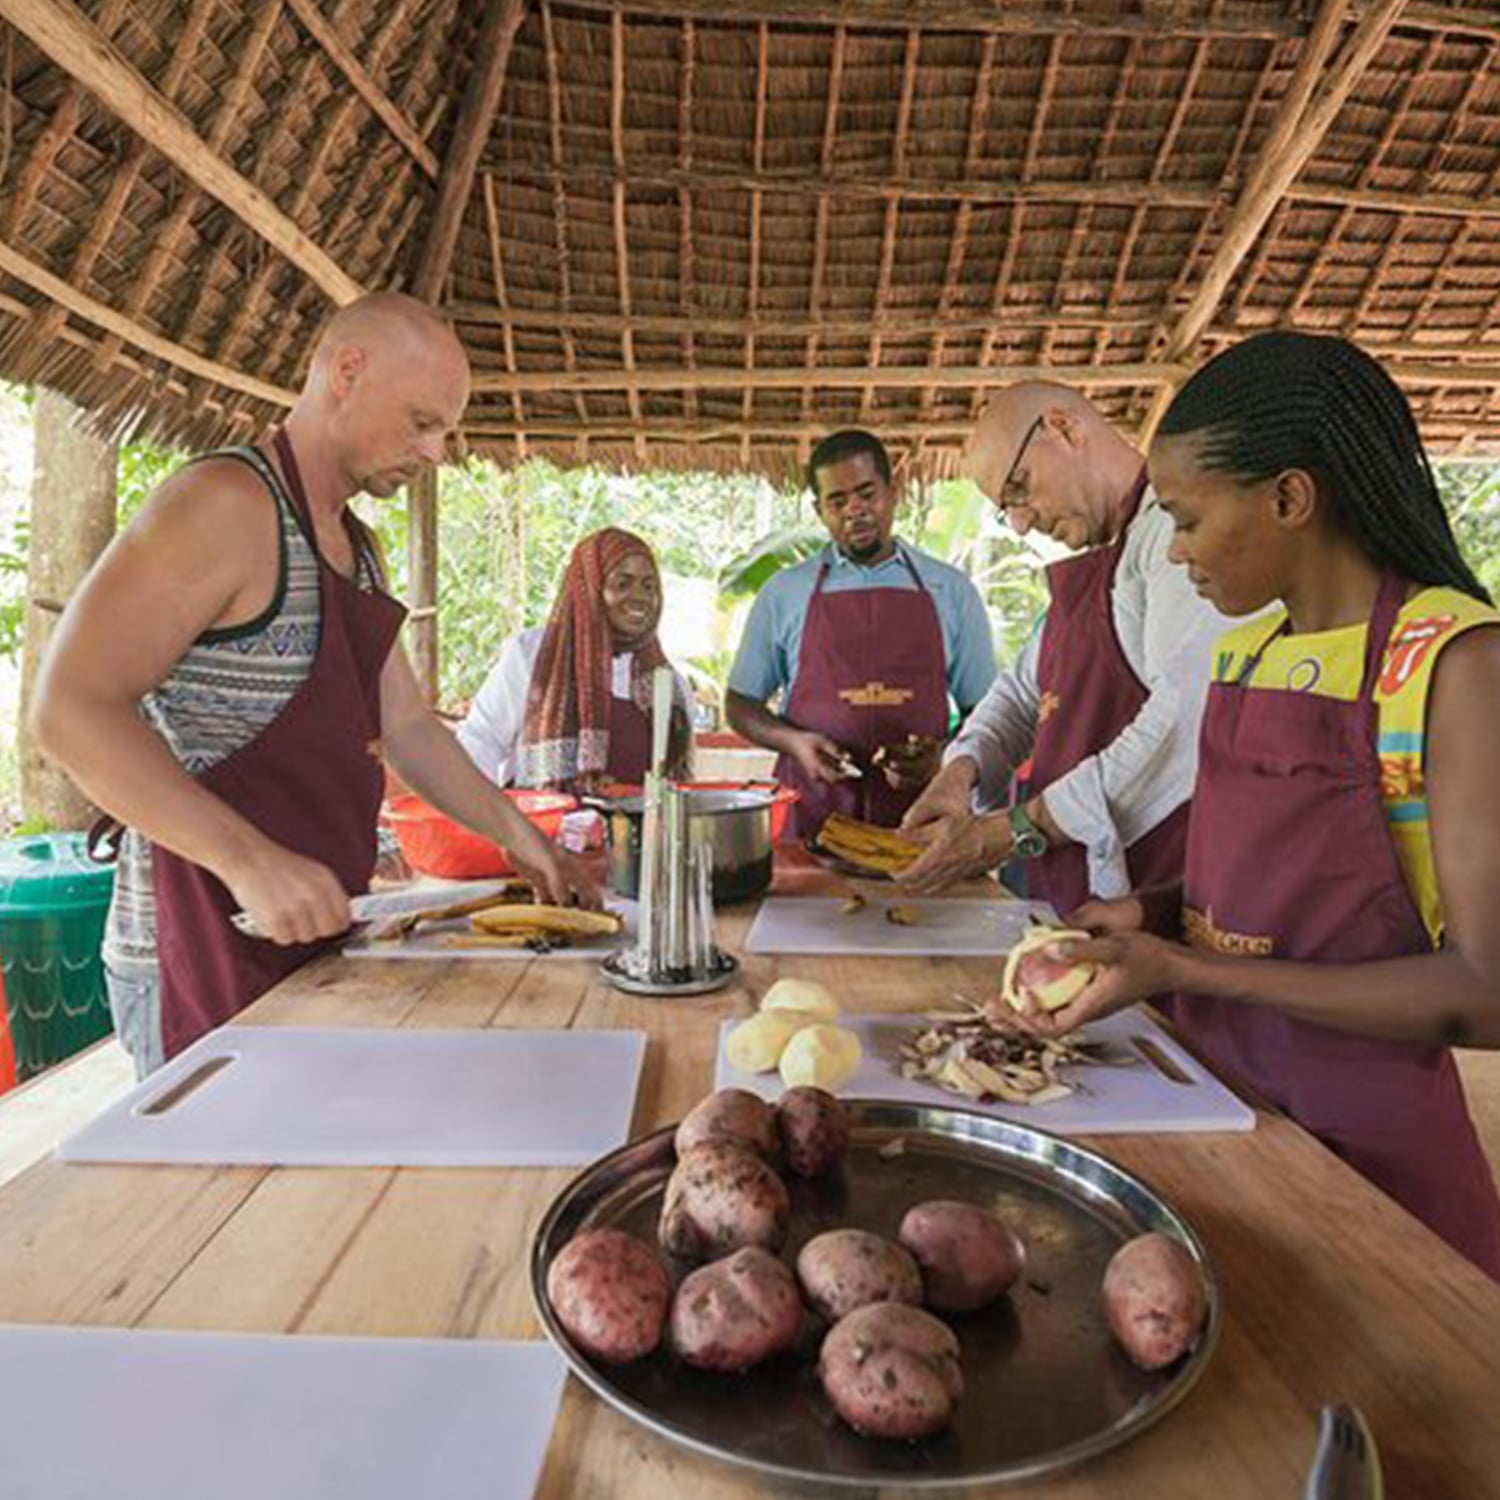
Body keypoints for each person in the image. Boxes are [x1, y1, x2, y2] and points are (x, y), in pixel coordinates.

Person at [1024, 331, 1500, 1279]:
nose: (1178, 553)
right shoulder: (1250, 653)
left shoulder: (1452, 661)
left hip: (1370, 1157)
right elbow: (1247, 898)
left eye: (1188, 521)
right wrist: (1150, 916)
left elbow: (1485, 992)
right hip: (1219, 1104)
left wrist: (1188, 972)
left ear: (1290, 497)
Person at [31, 293, 597, 1078]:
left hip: (306, 940)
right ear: (348, 372)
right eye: (422, 422)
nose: (437, 452)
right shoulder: (226, 505)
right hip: (194, 945)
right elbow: (68, 708)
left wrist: (516, 833)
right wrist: (248, 860)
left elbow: (407, 727)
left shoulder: (356, 550)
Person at [896, 383, 1230, 910]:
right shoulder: (1099, 566)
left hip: (1160, 891)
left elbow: (1183, 721)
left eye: (1020, 487)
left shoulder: (1170, 534)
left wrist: (1015, 828)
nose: (1023, 522)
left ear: (1065, 427)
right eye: (1008, 508)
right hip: (1075, 894)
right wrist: (961, 770)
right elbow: (1020, 693)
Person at [725, 429, 996, 837]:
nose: (855, 510)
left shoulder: (952, 590)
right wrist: (796, 743)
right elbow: (740, 704)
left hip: (924, 823)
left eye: (867, 494)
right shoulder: (784, 592)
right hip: (814, 817)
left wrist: (941, 757)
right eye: (838, 501)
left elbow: (986, 713)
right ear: (820, 511)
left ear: (892, 493)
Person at [456, 527, 692, 791]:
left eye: (649, 586)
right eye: (622, 584)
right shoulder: (531, 655)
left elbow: (676, 785)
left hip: (638, 831)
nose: (639, 597)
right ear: (589, 587)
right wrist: (487, 817)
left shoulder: (669, 685)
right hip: (541, 827)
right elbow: (480, 741)